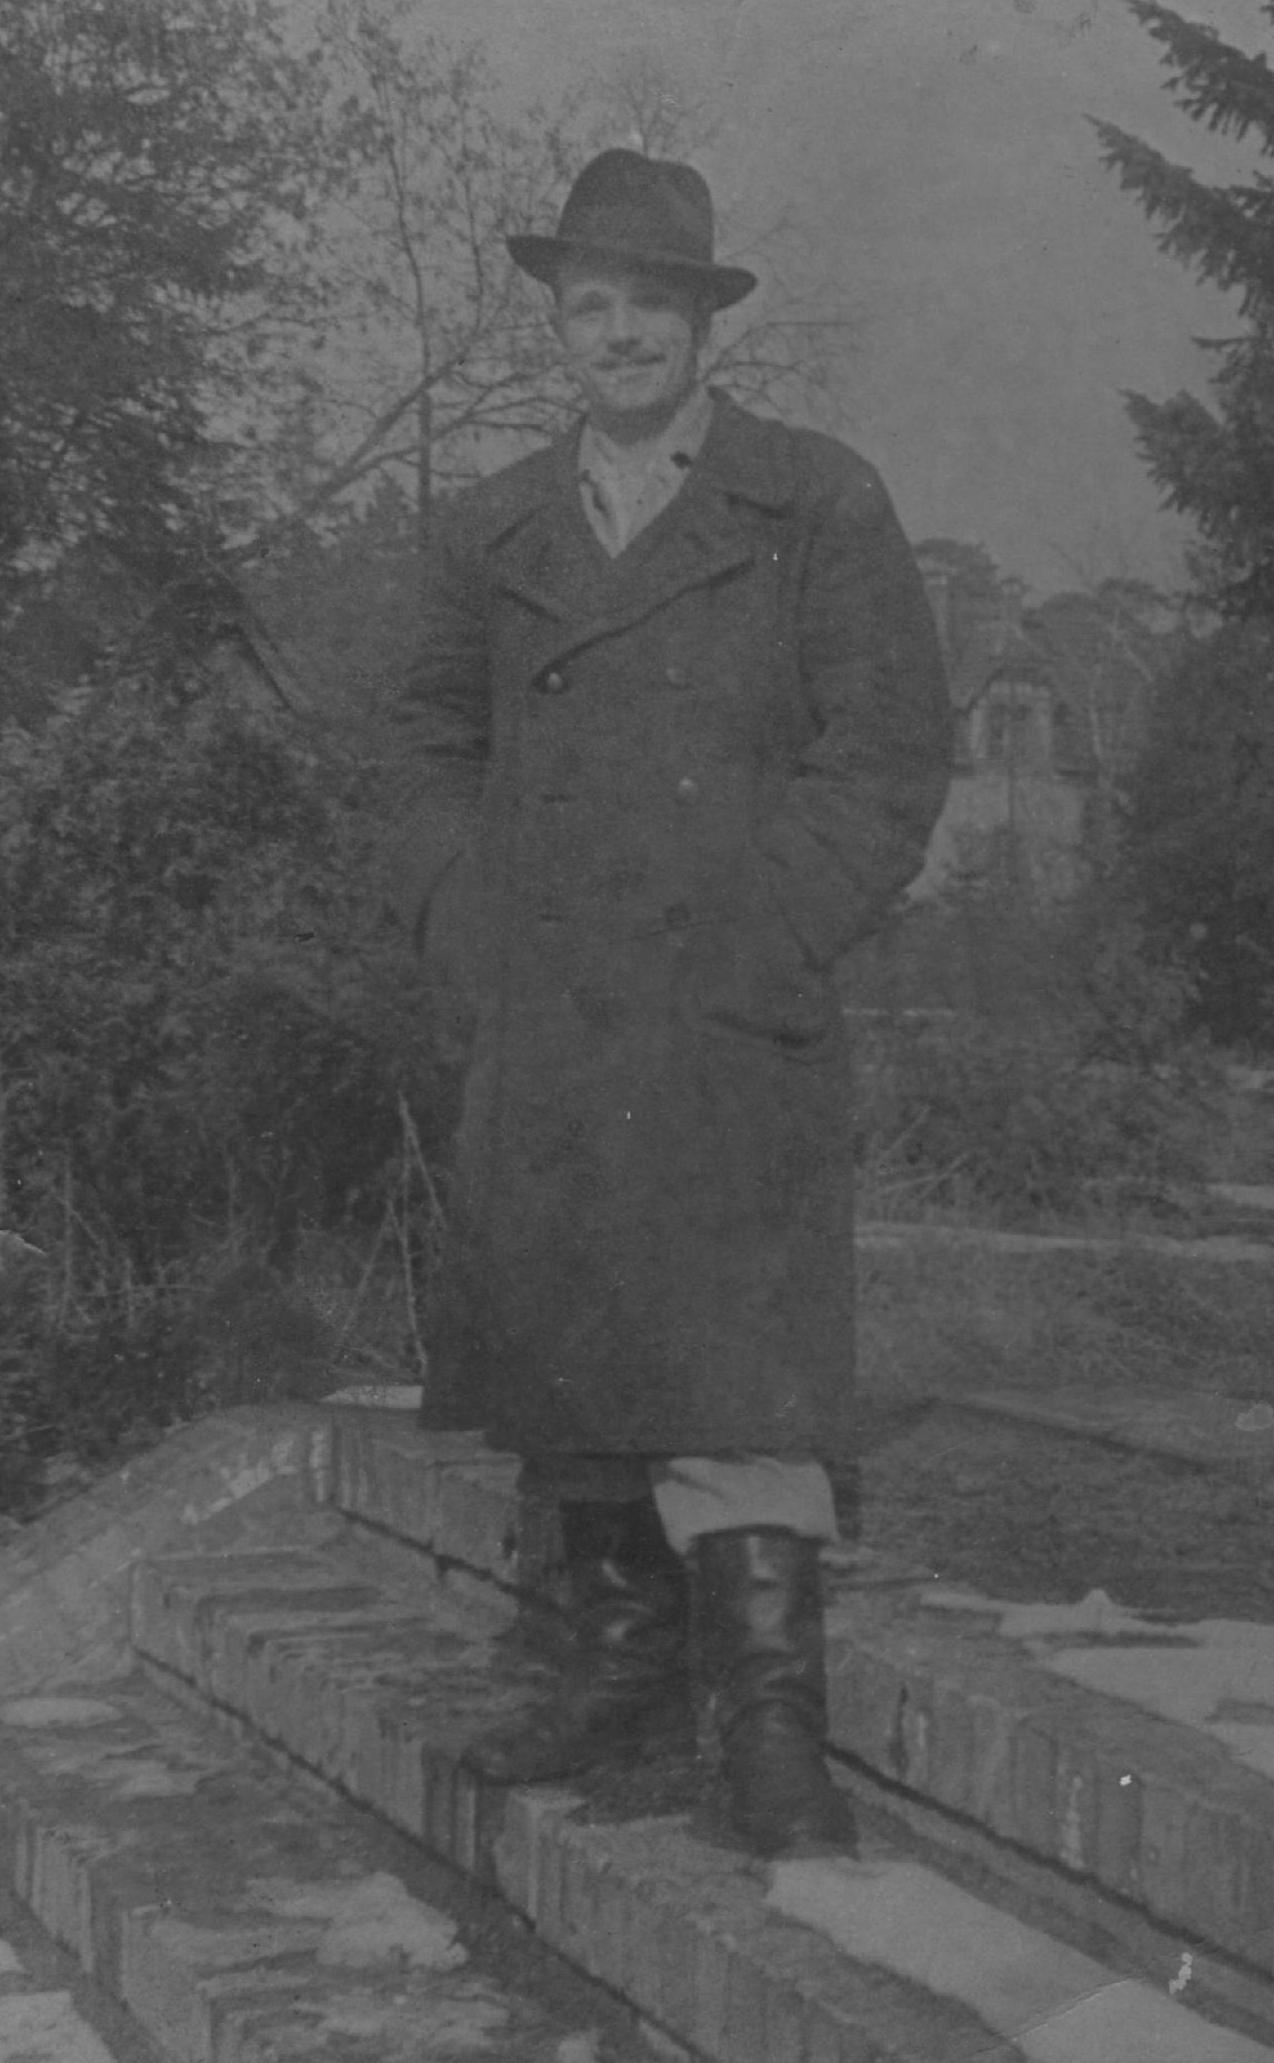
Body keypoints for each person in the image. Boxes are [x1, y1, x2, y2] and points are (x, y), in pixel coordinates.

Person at [394, 148, 952, 1860]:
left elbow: (889, 752)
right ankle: (612, 1661)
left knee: (742, 1363)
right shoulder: (491, 524)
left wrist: (771, 931)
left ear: (704, 321)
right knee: (577, 1347)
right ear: (558, 326)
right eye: (590, 305)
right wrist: (470, 921)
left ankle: (767, 1719)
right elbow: (417, 747)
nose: (619, 332)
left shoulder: (815, 501)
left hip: (728, 1013)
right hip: (553, 1006)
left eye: (650, 302)